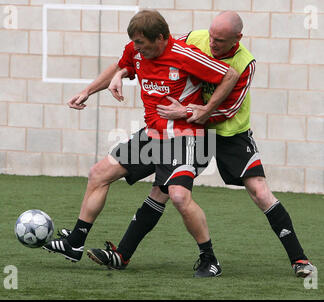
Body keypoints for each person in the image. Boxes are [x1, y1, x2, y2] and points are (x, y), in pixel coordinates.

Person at [85, 11, 315, 278]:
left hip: (228, 133)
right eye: (212, 36)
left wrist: (188, 112)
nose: (212, 43)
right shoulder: (196, 38)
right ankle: (122, 255)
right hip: (192, 131)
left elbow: (228, 110)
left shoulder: (244, 63)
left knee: (260, 191)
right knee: (164, 190)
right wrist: (123, 71)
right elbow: (157, 51)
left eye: (220, 41)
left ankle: (299, 260)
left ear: (237, 39)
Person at [43, 9, 240, 278]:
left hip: (188, 138)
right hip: (152, 136)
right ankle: (75, 242)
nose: (137, 50)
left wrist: (202, 112)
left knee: (178, 196)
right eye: (135, 44)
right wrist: (89, 90)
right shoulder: (135, 50)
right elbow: (120, 64)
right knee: (98, 174)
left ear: (160, 38)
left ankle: (210, 259)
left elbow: (229, 75)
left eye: (142, 45)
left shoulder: (184, 54)